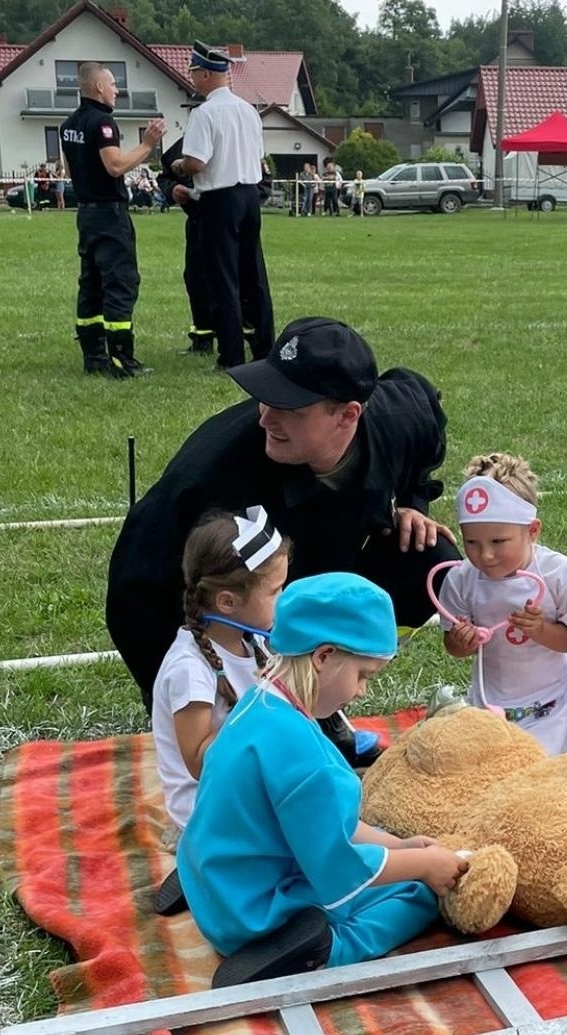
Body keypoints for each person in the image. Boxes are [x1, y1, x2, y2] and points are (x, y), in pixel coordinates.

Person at [106, 316, 460, 760]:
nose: (266, 417)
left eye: (290, 408)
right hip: (245, 591)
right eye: (264, 397)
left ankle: (327, 691)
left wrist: (412, 502)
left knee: (428, 555)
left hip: (320, 558)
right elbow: (133, 592)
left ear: (349, 414)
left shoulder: (399, 417)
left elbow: (424, 406)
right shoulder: (213, 478)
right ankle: (288, 698)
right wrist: (189, 689)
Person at [174, 572, 468, 987]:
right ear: (324, 656)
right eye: (364, 674)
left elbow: (330, 823)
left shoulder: (257, 701)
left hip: (214, 886)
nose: (363, 692)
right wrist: (422, 863)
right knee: (419, 893)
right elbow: (339, 866)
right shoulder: (307, 756)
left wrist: (399, 846)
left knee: (389, 845)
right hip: (256, 919)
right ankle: (324, 950)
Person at [438, 453, 567, 755]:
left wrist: (541, 630)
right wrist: (462, 642)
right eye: (472, 542)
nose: (486, 555)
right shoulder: (460, 579)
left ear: (532, 531)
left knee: (539, 773)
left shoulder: (558, 574)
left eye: (498, 542)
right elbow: (453, 648)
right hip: (491, 699)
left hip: (552, 700)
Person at [152, 507, 288, 834]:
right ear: (227, 603)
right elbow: (199, 763)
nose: (284, 598)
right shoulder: (189, 669)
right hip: (210, 815)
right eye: (275, 591)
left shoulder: (253, 640)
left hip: (245, 791)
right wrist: (262, 716)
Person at [171, 42, 274, 370]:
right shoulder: (248, 111)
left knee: (224, 278)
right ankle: (264, 348)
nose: (192, 79)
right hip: (249, 195)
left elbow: (197, 163)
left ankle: (231, 355)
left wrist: (178, 167)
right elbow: (258, 157)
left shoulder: (205, 113)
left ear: (204, 74)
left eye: (194, 73)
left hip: (219, 199)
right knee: (253, 274)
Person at [60, 60, 165, 377]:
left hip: (87, 214)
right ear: (98, 87)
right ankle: (122, 358)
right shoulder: (103, 123)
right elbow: (115, 166)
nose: (117, 90)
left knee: (90, 283)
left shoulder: (68, 125)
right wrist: (148, 144)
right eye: (113, 84)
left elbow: (68, 169)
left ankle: (93, 357)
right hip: (109, 214)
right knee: (120, 282)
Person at [159, 135, 218, 356]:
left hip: (231, 223)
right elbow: (164, 176)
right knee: (196, 279)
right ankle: (202, 338)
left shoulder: (235, 137)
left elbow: (261, 184)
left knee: (236, 280)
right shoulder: (185, 145)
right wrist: (172, 189)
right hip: (198, 222)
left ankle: (245, 338)